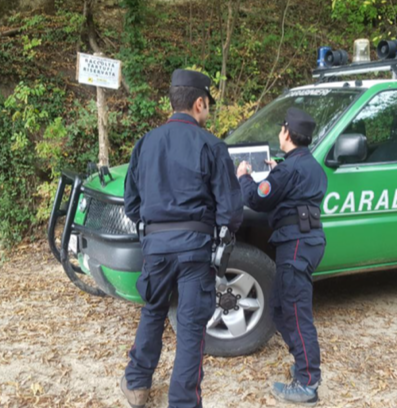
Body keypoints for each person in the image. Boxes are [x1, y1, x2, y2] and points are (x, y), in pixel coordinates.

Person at [121, 69, 244, 408]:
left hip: (156, 248)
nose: (209, 112)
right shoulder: (212, 145)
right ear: (199, 103)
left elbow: (132, 204)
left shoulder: (145, 143)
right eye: (208, 106)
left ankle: (136, 385)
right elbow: (231, 209)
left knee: (153, 311)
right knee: (191, 328)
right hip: (195, 250)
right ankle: (183, 402)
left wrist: (155, 229)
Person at [236, 107, 327, 406]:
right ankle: (303, 365)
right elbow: (293, 188)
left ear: (287, 133)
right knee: (278, 307)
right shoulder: (309, 165)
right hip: (306, 240)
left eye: (280, 129)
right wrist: (277, 171)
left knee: (295, 312)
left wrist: (244, 176)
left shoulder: (289, 170)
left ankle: (308, 381)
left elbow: (257, 198)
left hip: (297, 243)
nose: (279, 133)